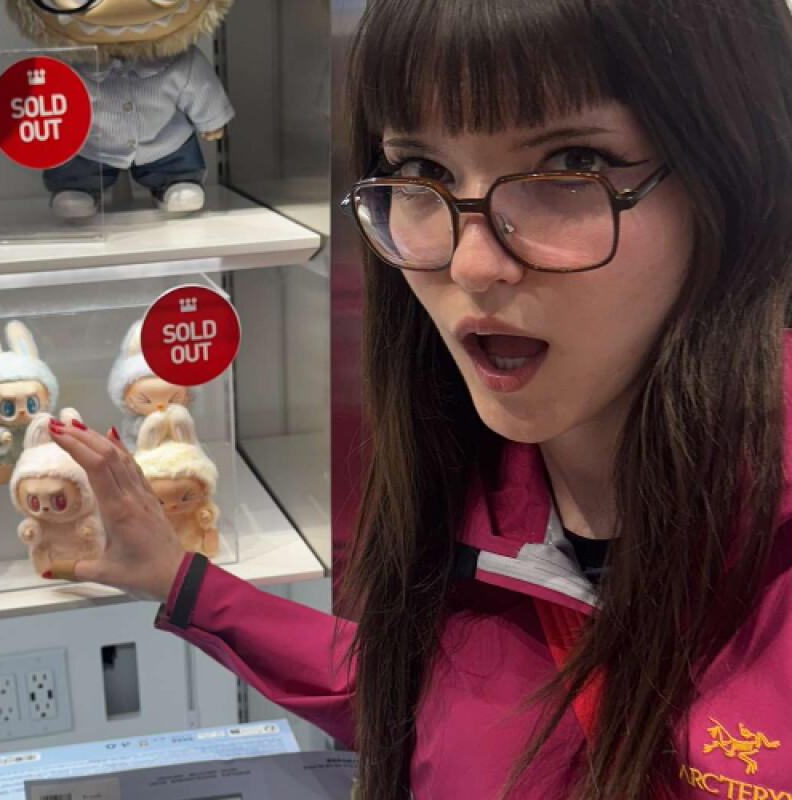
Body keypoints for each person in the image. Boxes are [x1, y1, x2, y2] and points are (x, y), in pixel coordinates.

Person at [44, 0, 792, 797]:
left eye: (572, 163)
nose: (471, 263)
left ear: (732, 177)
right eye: (422, 174)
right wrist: (182, 580)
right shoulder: (469, 481)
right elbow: (421, 700)